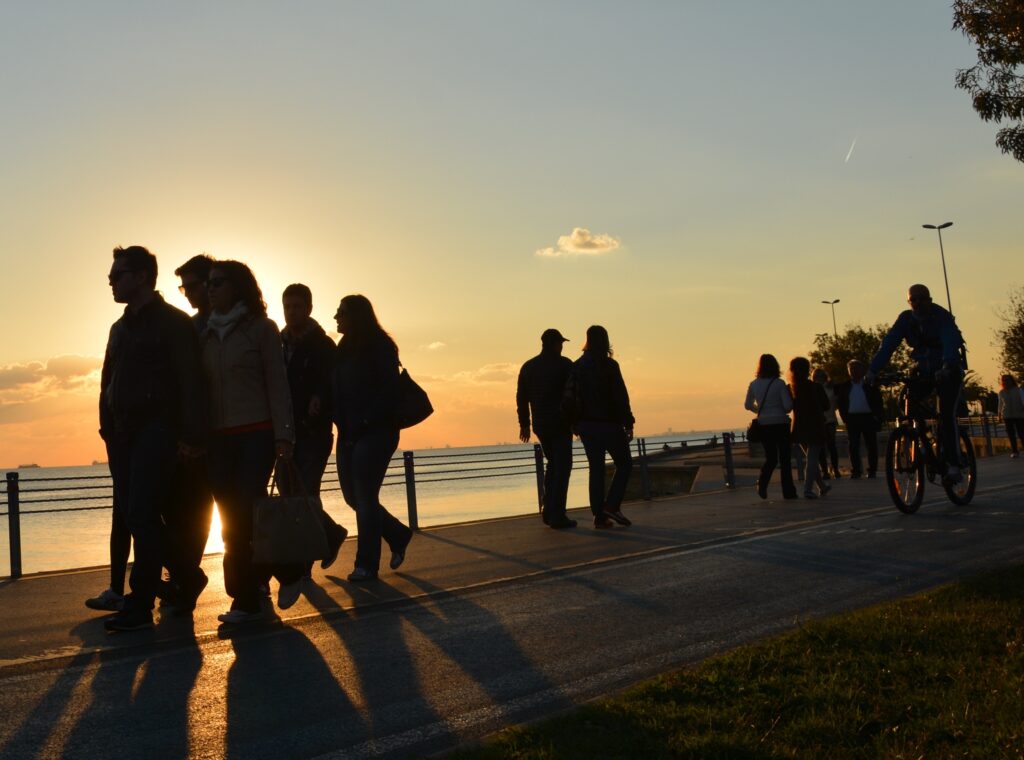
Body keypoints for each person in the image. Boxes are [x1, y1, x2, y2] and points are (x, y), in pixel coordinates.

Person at [98, 246, 205, 631]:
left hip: (158, 430)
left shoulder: (174, 324)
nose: (111, 281)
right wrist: (106, 429)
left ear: (141, 276)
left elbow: (191, 382)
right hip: (122, 435)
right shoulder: (120, 327)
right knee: (134, 513)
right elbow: (107, 382)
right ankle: (187, 576)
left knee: (141, 511)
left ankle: (140, 603)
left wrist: (191, 436)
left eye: (118, 274)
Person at [201, 260, 299, 624]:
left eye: (219, 282)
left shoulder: (261, 330)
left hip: (255, 435)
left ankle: (246, 601)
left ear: (239, 286)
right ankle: (276, 577)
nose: (211, 289)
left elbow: (278, 385)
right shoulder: (206, 334)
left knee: (243, 514)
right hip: (218, 440)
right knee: (232, 522)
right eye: (209, 283)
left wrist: (283, 436)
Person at [332, 294, 412, 581]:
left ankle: (365, 564)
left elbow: (388, 391)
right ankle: (397, 533)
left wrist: (365, 420)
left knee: (365, 496)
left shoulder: (380, 346)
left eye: (340, 312)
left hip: (376, 431)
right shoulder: (343, 347)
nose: (335, 317)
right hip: (347, 432)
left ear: (355, 315)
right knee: (353, 496)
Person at [159, 253, 219, 613]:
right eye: (182, 286)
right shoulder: (190, 326)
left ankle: (252, 582)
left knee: (205, 509)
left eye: (191, 286)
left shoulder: (233, 325)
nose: (186, 293)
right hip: (186, 433)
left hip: (220, 432)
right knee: (181, 509)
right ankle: (183, 575)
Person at [279, 283, 349, 573]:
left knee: (305, 493)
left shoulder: (322, 344)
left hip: (313, 433)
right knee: (289, 495)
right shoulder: (278, 343)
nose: (292, 312)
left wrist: (319, 397)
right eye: (288, 306)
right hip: (285, 432)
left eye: (297, 306)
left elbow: (333, 382)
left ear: (308, 308)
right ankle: (331, 533)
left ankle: (302, 565)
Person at [867, 283, 967, 483]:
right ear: (909, 302)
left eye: (923, 298)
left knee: (946, 415)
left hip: (948, 370)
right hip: (923, 370)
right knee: (907, 401)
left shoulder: (941, 316)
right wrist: (873, 370)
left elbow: (950, 340)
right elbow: (889, 343)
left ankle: (954, 464)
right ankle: (920, 436)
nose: (918, 303)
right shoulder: (905, 319)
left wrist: (947, 365)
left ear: (930, 299)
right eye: (914, 299)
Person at [570, 325, 634, 529]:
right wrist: (628, 421)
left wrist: (574, 423)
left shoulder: (577, 366)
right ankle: (612, 505)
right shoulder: (609, 366)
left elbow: (570, 397)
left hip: (586, 426)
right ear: (605, 341)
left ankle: (599, 516)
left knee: (595, 469)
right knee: (624, 463)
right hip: (608, 424)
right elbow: (620, 396)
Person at [517, 329, 576, 529]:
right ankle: (557, 514)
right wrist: (576, 420)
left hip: (540, 425)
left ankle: (548, 509)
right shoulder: (565, 365)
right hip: (560, 423)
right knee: (563, 467)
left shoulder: (528, 367)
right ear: (555, 344)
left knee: (553, 465)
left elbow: (521, 398)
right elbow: (573, 394)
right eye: (560, 343)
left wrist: (524, 424)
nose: (562, 347)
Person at [744, 354, 797, 500]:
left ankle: (762, 483)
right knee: (785, 459)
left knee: (771, 458)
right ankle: (788, 492)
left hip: (764, 425)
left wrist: (760, 410)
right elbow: (787, 407)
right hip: (781, 424)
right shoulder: (779, 383)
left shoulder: (754, 384)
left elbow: (747, 405)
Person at [790, 357, 831, 499]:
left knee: (811, 458)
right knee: (812, 459)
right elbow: (826, 405)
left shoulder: (791, 388)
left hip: (799, 427)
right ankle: (808, 489)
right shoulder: (816, 387)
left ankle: (822, 487)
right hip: (815, 426)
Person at [835, 360, 883, 479]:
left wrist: (878, 416)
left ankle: (872, 470)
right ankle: (856, 470)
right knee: (853, 446)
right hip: (852, 419)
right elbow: (841, 403)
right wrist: (845, 418)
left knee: (871, 445)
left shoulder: (869, 385)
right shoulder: (844, 387)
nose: (854, 372)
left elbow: (878, 401)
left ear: (862, 371)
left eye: (857, 369)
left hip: (868, 417)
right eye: (852, 369)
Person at [813, 368, 841, 479]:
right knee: (821, 448)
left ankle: (835, 469)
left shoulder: (831, 388)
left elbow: (836, 402)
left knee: (831, 445)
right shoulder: (813, 389)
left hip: (830, 419)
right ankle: (825, 471)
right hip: (818, 420)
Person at [997, 374, 1024, 459]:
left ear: (1011, 380)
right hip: (1007, 415)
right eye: (1004, 380)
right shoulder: (1001, 392)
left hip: (1019, 414)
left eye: (1008, 380)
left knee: (1022, 433)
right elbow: (1000, 404)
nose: (1006, 381)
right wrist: (999, 415)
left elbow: (1023, 400)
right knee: (1011, 435)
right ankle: (1015, 451)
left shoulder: (1018, 390)